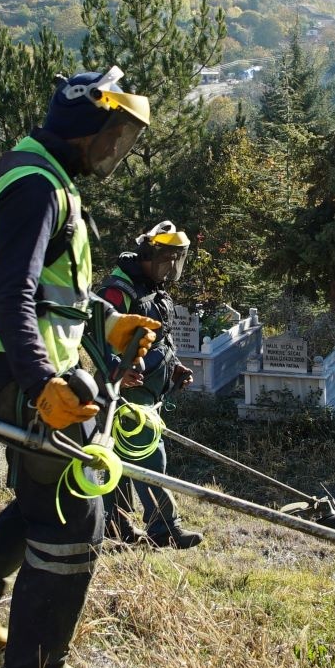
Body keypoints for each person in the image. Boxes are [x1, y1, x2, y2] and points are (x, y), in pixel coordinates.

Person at [0, 67, 162, 668]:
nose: (114, 150)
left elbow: (59, 296)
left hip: (34, 363)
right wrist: (41, 383)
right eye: (112, 134)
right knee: (74, 514)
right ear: (82, 122)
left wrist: (111, 324)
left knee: (44, 495)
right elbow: (11, 295)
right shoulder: (35, 187)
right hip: (19, 366)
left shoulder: (48, 180)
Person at [100, 221, 203, 550]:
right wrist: (116, 367)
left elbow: (160, 339)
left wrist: (176, 368)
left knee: (119, 458)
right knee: (149, 459)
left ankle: (114, 523)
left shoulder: (152, 287)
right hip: (126, 393)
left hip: (150, 391)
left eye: (177, 259)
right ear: (148, 255)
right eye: (167, 259)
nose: (172, 267)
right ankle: (165, 529)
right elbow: (95, 334)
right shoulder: (118, 290)